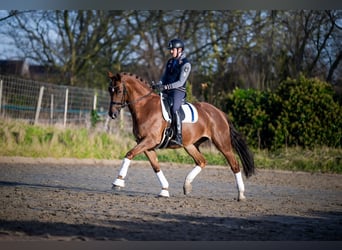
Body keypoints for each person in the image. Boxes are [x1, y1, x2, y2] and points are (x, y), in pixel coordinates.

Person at [153, 38, 191, 146]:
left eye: (172, 49)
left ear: (180, 50)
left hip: (178, 91)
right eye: (170, 50)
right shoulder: (170, 62)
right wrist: (159, 84)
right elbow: (164, 77)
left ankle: (178, 136)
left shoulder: (186, 64)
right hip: (167, 90)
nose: (170, 52)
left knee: (174, 108)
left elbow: (180, 82)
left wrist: (166, 87)